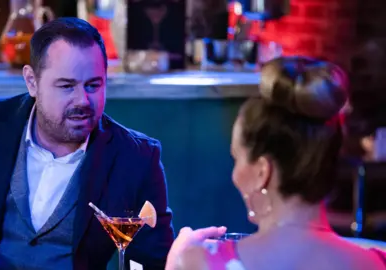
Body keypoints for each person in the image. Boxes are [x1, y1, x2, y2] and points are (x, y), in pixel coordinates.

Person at [0, 18, 174, 270]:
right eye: (67, 86)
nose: (82, 100)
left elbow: (148, 261)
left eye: (93, 85)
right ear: (32, 82)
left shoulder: (136, 157)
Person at [165, 56, 386, 270]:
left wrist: (176, 261)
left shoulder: (201, 263)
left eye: (237, 158)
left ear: (263, 171)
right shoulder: (377, 262)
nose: (234, 174)